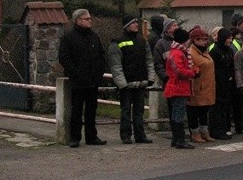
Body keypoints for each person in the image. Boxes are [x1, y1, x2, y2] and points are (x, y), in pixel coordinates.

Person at [58, 9, 107, 147]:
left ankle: (92, 136)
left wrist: (99, 72)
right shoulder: (69, 38)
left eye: (90, 18)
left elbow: (101, 56)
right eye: (87, 19)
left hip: (93, 80)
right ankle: (75, 137)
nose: (90, 21)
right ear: (78, 20)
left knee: (91, 110)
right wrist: (75, 73)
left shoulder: (94, 36)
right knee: (77, 110)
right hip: (78, 81)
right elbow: (64, 58)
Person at [107, 16, 156, 144]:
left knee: (139, 111)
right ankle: (125, 135)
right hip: (126, 83)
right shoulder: (117, 42)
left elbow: (149, 60)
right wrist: (122, 83)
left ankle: (140, 135)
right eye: (134, 23)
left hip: (140, 81)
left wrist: (150, 78)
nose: (136, 25)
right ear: (127, 25)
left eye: (136, 23)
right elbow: (116, 65)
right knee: (125, 111)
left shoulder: (142, 41)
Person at [164, 27, 197, 149]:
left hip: (176, 87)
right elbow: (180, 71)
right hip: (178, 87)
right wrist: (193, 73)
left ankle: (176, 139)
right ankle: (180, 140)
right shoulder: (178, 53)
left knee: (175, 114)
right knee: (178, 114)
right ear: (184, 40)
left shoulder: (175, 52)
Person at [187, 26, 215, 143]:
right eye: (202, 39)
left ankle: (204, 132)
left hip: (207, 87)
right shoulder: (191, 53)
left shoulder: (205, 52)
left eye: (206, 39)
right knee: (194, 111)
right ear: (195, 40)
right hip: (197, 86)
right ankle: (195, 133)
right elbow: (192, 69)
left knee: (204, 111)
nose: (205, 41)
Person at [208, 27, 234, 139]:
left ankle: (225, 128)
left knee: (225, 108)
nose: (230, 40)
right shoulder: (215, 51)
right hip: (218, 83)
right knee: (217, 108)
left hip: (227, 83)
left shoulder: (229, 51)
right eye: (229, 38)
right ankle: (216, 130)